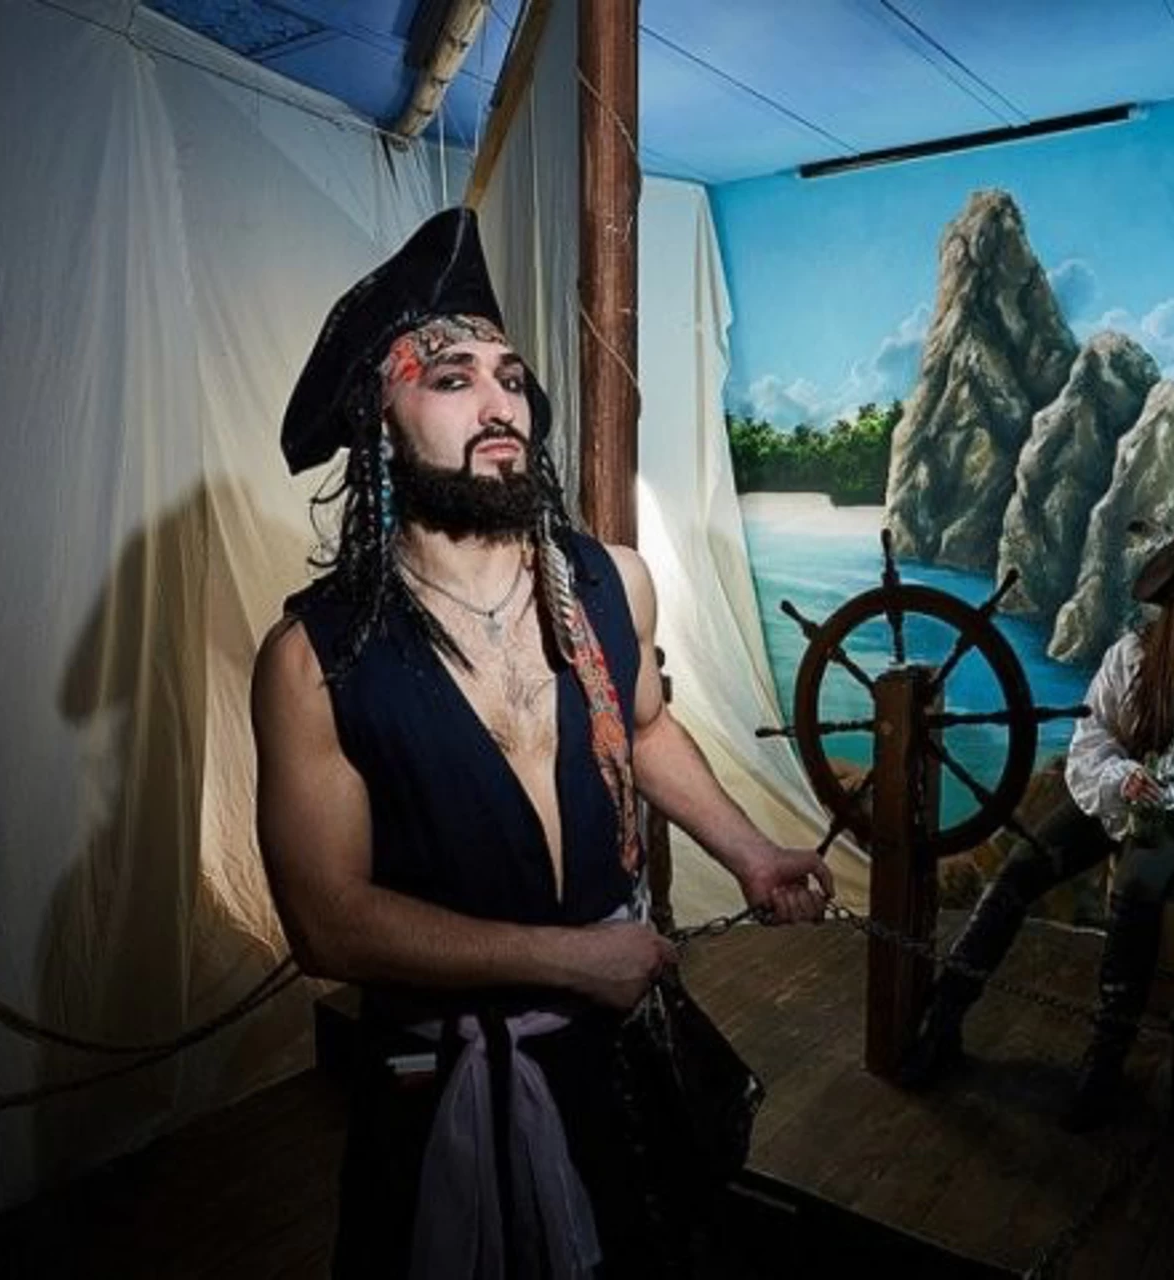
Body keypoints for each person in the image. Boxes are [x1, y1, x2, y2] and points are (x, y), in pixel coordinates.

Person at [250, 207, 832, 1278]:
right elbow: (328, 923)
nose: (500, 403)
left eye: (511, 378)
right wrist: (570, 959)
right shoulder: (312, 661)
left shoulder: (612, 582)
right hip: (438, 1087)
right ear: (380, 420)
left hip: (619, 1071)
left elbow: (643, 731)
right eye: (452, 378)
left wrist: (750, 851)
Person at [899, 504, 1174, 1130]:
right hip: (1114, 793)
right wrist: (1120, 777)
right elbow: (1093, 738)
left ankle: (1103, 1066)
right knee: (1018, 875)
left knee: (1136, 890)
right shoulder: (1130, 655)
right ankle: (943, 1021)